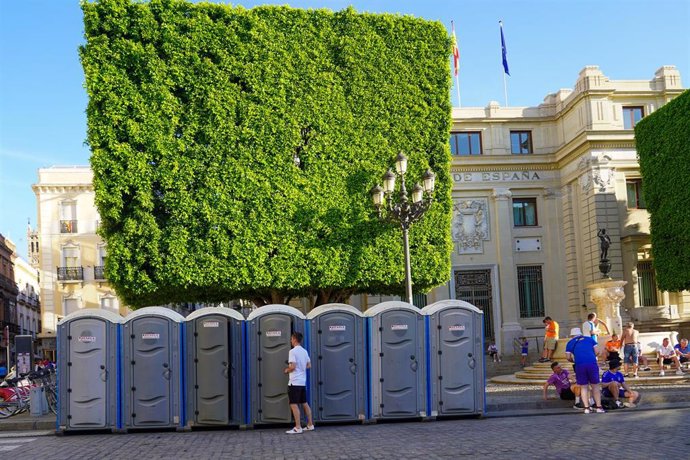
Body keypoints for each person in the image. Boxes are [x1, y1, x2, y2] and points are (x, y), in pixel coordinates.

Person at [565, 327, 605, 414]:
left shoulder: (570, 343)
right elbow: (598, 351)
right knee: (595, 386)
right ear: (580, 333)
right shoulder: (590, 339)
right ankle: (599, 407)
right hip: (592, 364)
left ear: (572, 335)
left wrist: (574, 360)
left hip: (579, 365)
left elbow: (568, 357)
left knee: (583, 387)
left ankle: (586, 408)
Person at [283, 332, 314, 434]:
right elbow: (309, 365)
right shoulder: (304, 351)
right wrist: (301, 369)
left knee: (293, 404)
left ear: (295, 339)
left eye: (291, 339)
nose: (291, 341)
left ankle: (298, 427)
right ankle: (310, 425)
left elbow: (293, 367)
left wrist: (287, 370)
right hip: (302, 382)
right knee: (305, 403)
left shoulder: (292, 351)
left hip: (294, 382)